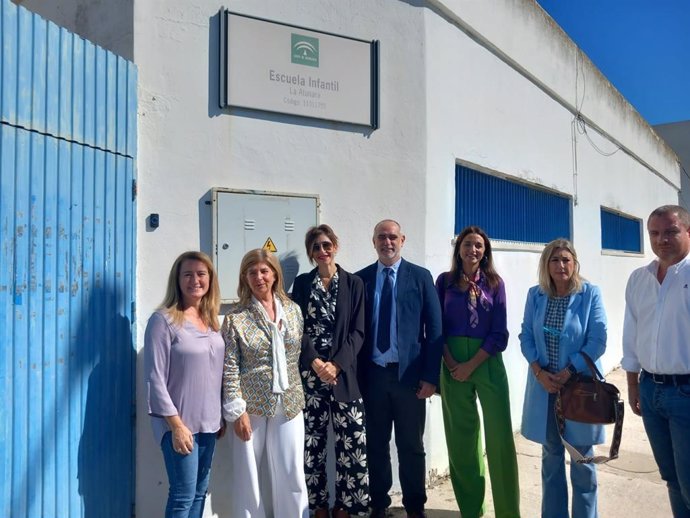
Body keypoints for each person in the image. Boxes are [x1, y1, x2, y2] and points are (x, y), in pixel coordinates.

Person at [355, 219, 443, 518]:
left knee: (411, 447)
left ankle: (415, 507)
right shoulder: (361, 280)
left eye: (392, 237)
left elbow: (435, 329)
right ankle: (378, 504)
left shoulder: (420, 277)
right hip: (374, 377)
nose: (387, 242)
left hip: (410, 379)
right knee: (376, 445)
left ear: (402, 240)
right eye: (381, 237)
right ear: (374, 241)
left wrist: (431, 377)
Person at [435, 226, 520, 518]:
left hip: (487, 361)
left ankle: (508, 512)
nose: (473, 250)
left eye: (479, 246)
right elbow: (437, 328)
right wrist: (449, 361)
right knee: (462, 441)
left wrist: (471, 365)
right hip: (452, 362)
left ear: (485, 252)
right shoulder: (444, 282)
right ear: (459, 248)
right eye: (468, 244)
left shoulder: (495, 283)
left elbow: (500, 332)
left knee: (499, 441)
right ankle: (472, 510)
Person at [519, 239, 607, 518]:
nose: (561, 265)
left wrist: (569, 371)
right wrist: (539, 372)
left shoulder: (589, 293)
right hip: (545, 388)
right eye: (554, 260)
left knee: (582, 460)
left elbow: (597, 340)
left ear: (575, 263)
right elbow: (526, 336)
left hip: (578, 389)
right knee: (551, 458)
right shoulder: (536, 295)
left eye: (566, 260)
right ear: (546, 264)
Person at [222, 249, 309, 518]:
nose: (259, 277)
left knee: (291, 470)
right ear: (244, 278)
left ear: (274, 275)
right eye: (252, 272)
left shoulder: (293, 311)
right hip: (251, 405)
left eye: (264, 271)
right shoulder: (236, 317)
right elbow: (230, 367)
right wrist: (237, 412)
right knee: (248, 474)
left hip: (290, 401)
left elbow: (297, 355)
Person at [292, 224, 368, 518]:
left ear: (335, 245)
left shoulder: (354, 284)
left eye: (326, 245)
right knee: (313, 446)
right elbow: (297, 329)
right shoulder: (301, 284)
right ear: (311, 253)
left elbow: (359, 332)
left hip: (344, 375)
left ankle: (347, 506)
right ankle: (319, 505)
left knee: (353, 445)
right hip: (311, 377)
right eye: (315, 247)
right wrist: (315, 363)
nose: (322, 251)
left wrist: (336, 364)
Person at [144, 251, 225, 518]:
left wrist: (220, 417)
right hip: (180, 424)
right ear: (177, 280)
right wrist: (176, 426)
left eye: (201, 274)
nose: (195, 280)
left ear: (210, 280)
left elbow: (215, 374)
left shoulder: (212, 322)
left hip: (210, 424)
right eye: (187, 274)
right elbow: (155, 379)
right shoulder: (163, 321)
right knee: (182, 495)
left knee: (199, 494)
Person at [622, 205, 690, 518]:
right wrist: (633, 384)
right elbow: (631, 332)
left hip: (685, 394)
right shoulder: (639, 279)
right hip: (651, 391)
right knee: (672, 479)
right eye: (654, 233)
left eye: (671, 231)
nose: (661, 239)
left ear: (687, 232)